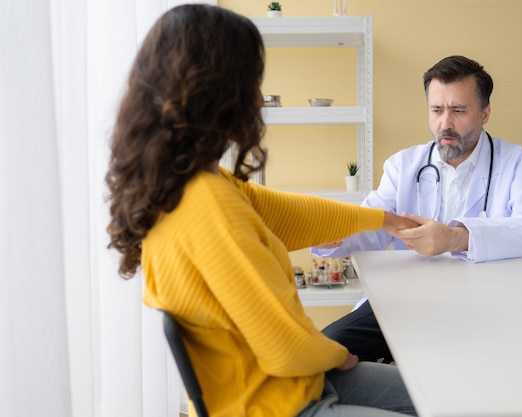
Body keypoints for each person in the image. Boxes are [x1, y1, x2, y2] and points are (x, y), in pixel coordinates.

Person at [105, 5, 418, 417]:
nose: (257, 98)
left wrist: (383, 219)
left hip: (293, 386)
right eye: (252, 81)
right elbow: (287, 349)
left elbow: (289, 215)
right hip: (274, 405)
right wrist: (338, 354)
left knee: (439, 396)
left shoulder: (195, 183)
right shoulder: (207, 205)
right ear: (220, 92)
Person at [313, 55, 522, 363]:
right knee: (326, 352)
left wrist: (455, 238)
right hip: (406, 300)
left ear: (485, 113)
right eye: (436, 110)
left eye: (458, 110)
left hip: (491, 302)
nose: (445, 123)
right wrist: (333, 235)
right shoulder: (403, 165)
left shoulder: (518, 163)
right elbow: (371, 226)